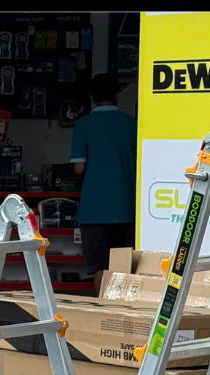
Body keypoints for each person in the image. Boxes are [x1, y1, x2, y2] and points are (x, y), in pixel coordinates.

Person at [70, 73, 137, 293]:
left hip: (94, 210)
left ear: (92, 98)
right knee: (123, 266)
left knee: (99, 266)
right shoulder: (132, 125)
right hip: (126, 207)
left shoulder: (82, 125)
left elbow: (79, 168)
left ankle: (103, 307)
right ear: (117, 95)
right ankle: (121, 307)